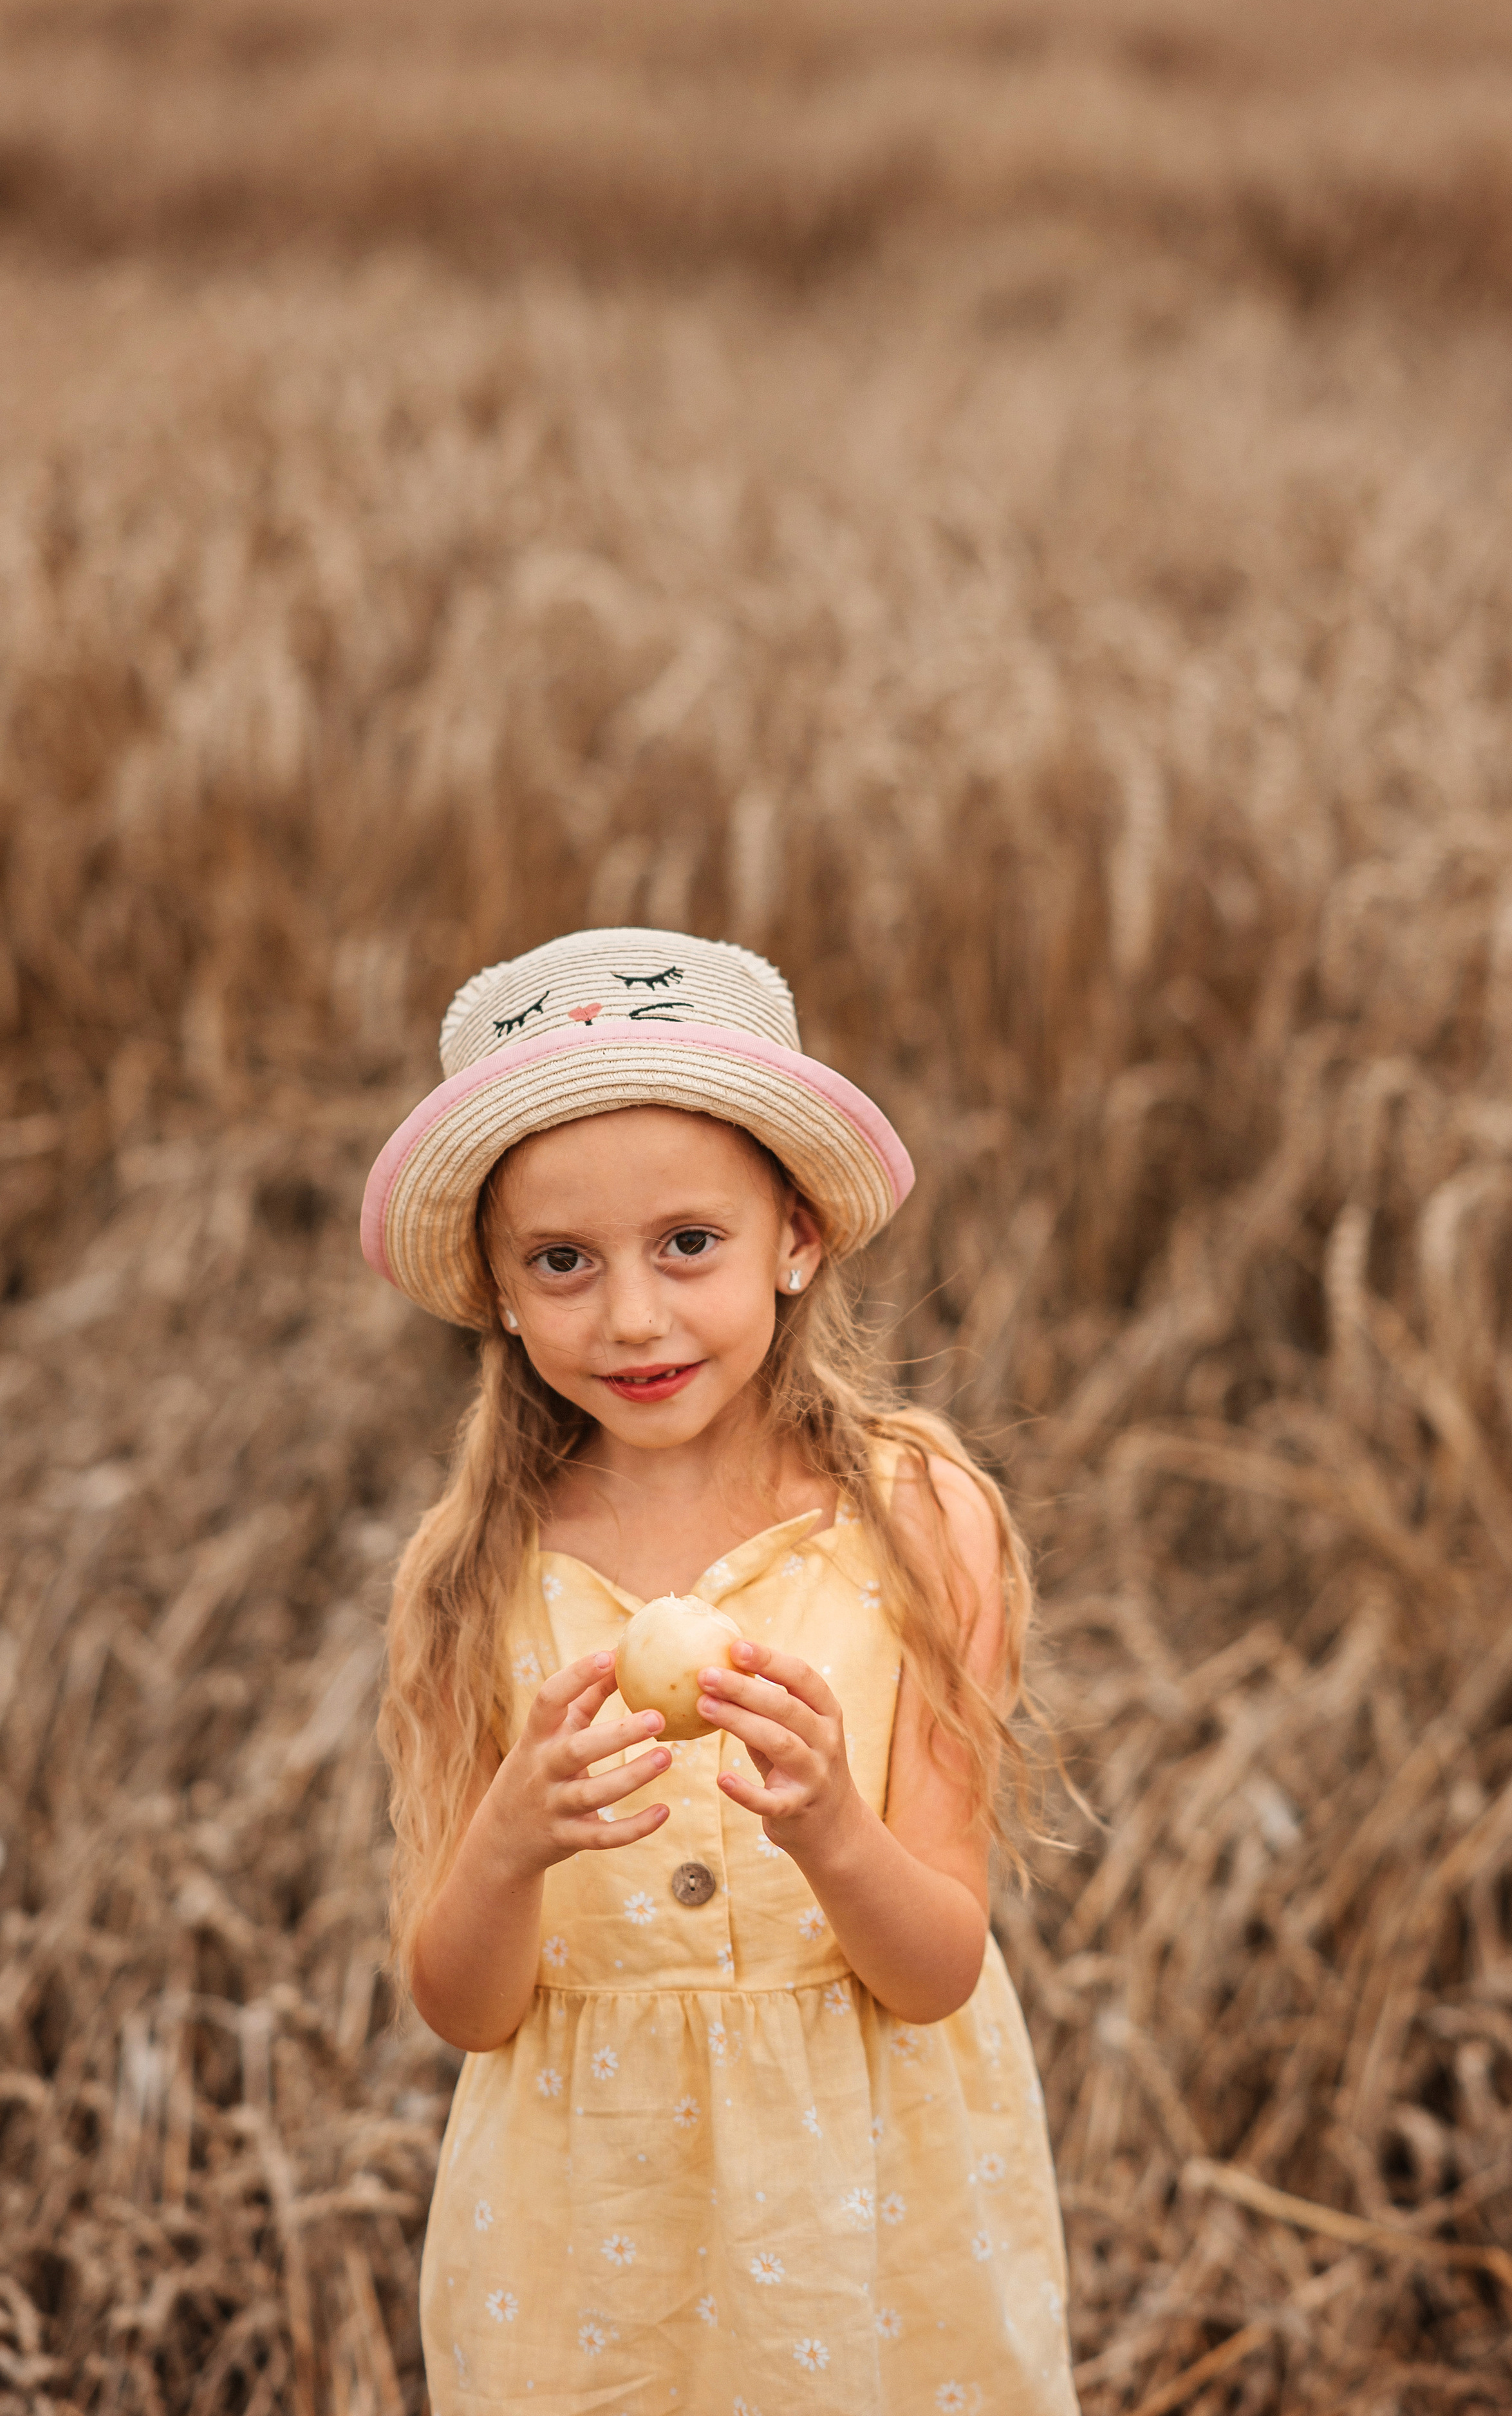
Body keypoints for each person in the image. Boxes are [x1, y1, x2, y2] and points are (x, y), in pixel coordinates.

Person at [363, 926, 1078, 2413]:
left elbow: (936, 1970)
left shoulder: (915, 1518)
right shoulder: (471, 1573)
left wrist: (829, 1824)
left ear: (795, 1239)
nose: (631, 1315)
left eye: (688, 1243)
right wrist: (509, 1840)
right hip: (587, 2240)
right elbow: (462, 2006)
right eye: (561, 1261)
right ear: (499, 1287)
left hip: (865, 2215)